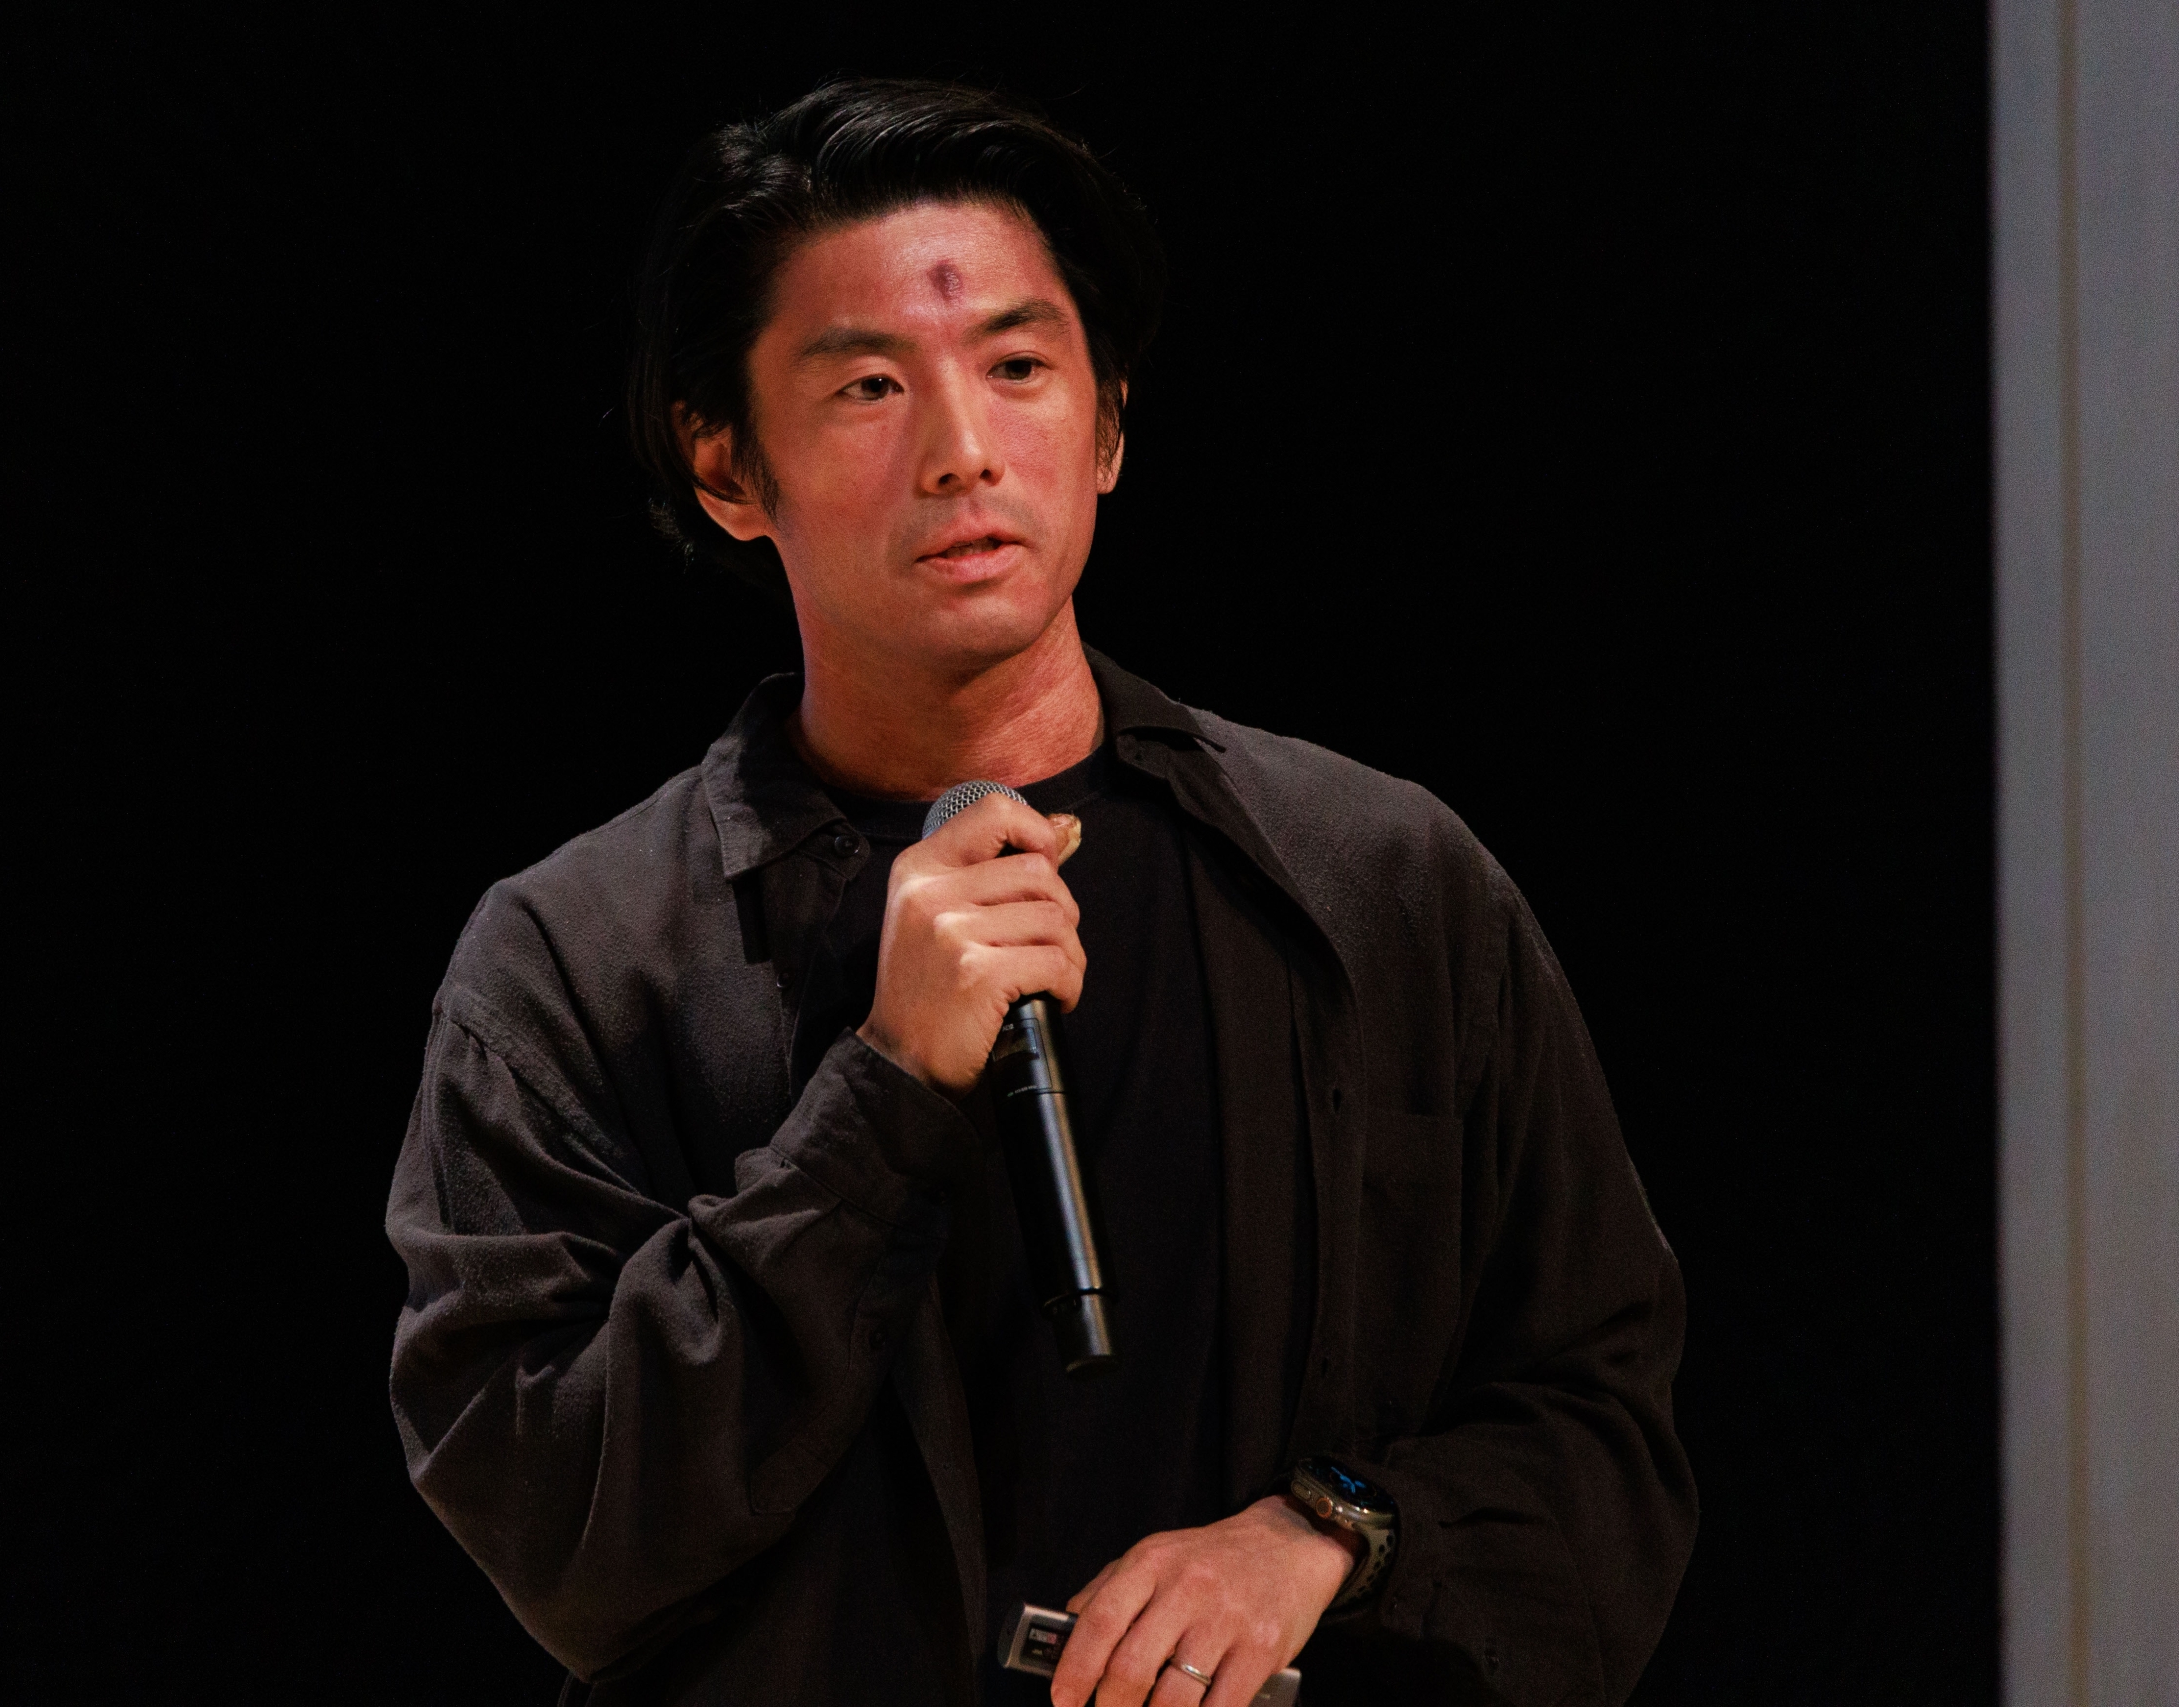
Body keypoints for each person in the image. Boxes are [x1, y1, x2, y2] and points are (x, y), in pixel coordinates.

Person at [385, 80, 1694, 1707]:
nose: (962, 452)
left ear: (1110, 423)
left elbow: (1606, 1437)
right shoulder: (577, 961)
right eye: (869, 386)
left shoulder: (1382, 881)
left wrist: (1332, 1532)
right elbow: (553, 1519)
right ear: (725, 463)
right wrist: (879, 1096)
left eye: (1018, 368)